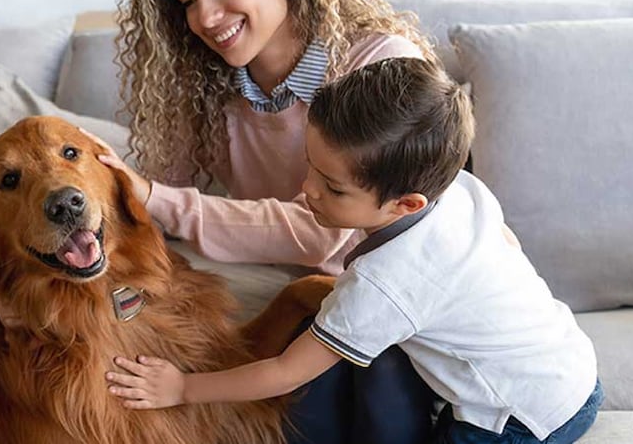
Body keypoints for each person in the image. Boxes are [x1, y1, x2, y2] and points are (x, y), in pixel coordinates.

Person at [98, 0, 439, 442]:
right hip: (309, 313)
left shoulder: (381, 68)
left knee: (364, 369)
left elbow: (325, 232)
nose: (206, 17)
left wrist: (160, 200)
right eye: (187, 0)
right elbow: (143, 212)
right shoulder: (207, 93)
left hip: (391, 316)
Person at [106, 57, 603, 444]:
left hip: (520, 418)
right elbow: (507, 244)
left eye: (333, 189)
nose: (306, 190)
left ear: (406, 203)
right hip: (574, 366)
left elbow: (284, 372)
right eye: (310, 166)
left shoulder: (383, 284)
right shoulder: (464, 191)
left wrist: (182, 388)